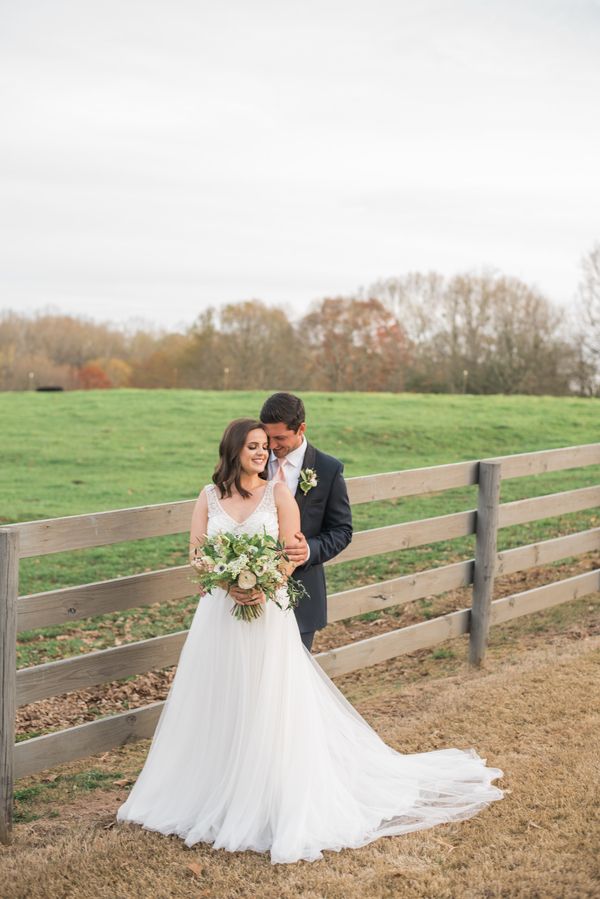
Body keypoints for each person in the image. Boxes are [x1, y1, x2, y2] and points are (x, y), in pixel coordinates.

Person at [116, 417, 504, 864]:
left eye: (265, 446)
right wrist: (229, 583)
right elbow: (198, 555)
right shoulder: (207, 497)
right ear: (233, 450)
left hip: (268, 614)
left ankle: (268, 794)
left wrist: (263, 582)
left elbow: (290, 552)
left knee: (269, 700)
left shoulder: (279, 494)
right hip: (219, 615)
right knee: (218, 697)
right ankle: (209, 788)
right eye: (253, 447)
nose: (262, 453)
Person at [259, 392, 353, 651]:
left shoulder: (328, 469)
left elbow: (342, 530)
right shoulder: (254, 459)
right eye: (268, 437)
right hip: (251, 591)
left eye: (280, 438)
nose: (272, 445)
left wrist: (309, 549)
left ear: (301, 429)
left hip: (300, 596)